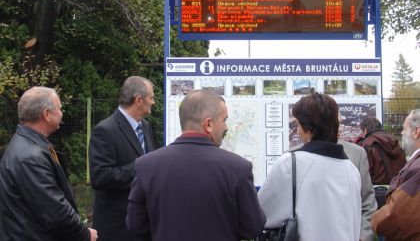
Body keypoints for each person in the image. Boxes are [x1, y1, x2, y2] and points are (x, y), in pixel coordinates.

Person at [126, 90, 266, 241]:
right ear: (208, 124)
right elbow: (253, 227)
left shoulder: (145, 166)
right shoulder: (238, 168)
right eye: (224, 120)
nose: (226, 127)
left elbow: (135, 225)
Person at [258, 92, 361, 241]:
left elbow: (259, 214)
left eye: (298, 125)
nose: (297, 131)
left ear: (309, 128)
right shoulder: (351, 169)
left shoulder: (291, 164)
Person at [0, 87, 97, 241]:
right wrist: (84, 234)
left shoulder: (29, 144)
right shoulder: (30, 157)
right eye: (59, 109)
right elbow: (54, 211)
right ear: (46, 114)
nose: (62, 113)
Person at [89, 76, 155, 241]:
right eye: (151, 98)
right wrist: (142, 166)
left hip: (141, 222)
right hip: (116, 226)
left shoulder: (145, 126)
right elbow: (100, 177)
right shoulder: (105, 130)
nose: (153, 102)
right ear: (139, 100)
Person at [371, 109, 420, 240]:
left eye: (404, 129)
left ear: (416, 132)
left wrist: (373, 220)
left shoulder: (417, 168)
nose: (402, 133)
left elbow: (395, 215)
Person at [357, 117, 406, 185]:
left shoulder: (367, 144)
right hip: (397, 187)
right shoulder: (394, 140)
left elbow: (365, 173)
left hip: (376, 189)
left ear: (365, 130)